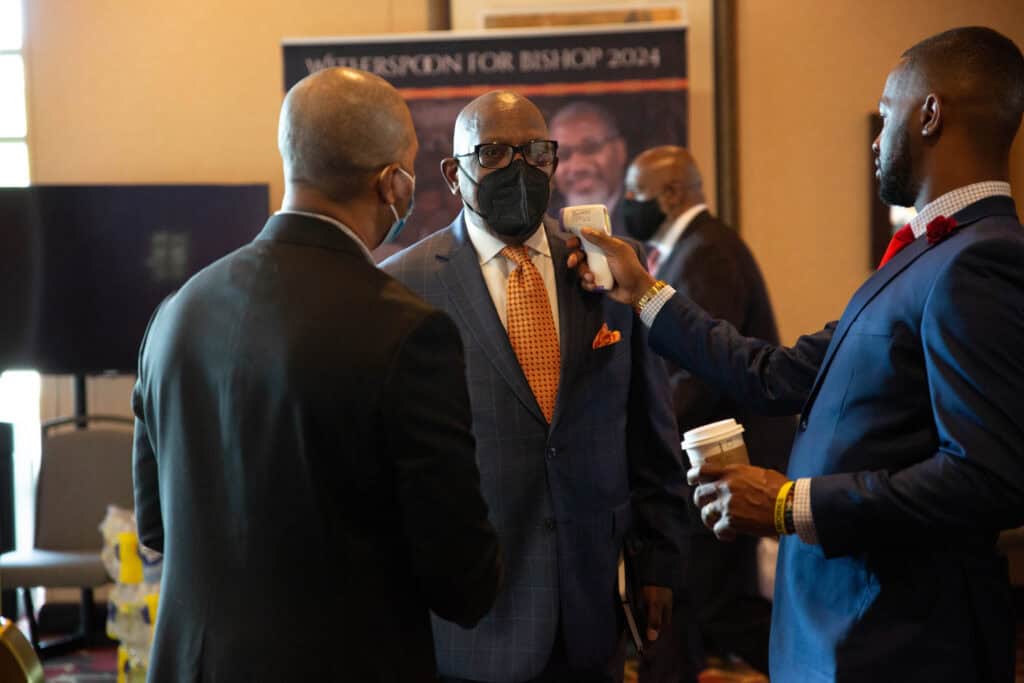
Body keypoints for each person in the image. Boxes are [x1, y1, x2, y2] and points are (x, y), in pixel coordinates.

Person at [573, 26, 1024, 682]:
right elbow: (773, 374)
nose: (876, 139)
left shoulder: (981, 258)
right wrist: (641, 291)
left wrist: (792, 503)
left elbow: (988, 478)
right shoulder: (927, 254)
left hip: (897, 643)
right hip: (840, 632)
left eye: (887, 113)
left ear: (930, 114)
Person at [131, 67, 502, 682]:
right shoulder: (407, 331)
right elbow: (461, 582)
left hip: (193, 666)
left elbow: (155, 526)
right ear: (392, 183)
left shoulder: (177, 311)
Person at [382, 91, 689, 683]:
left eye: (536, 153)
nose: (518, 168)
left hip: (591, 608)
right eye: (493, 153)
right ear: (453, 174)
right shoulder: (403, 286)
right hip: (471, 622)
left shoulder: (607, 266)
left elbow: (650, 429)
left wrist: (660, 561)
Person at [624, 146, 793, 677]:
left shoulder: (706, 252)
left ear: (671, 193)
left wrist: (640, 434)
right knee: (696, 606)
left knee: (720, 604)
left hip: (728, 461)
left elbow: (695, 371)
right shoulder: (693, 249)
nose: (627, 203)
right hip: (710, 461)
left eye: (635, 193)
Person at [549, 101, 629, 233]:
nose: (577, 167)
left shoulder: (650, 222)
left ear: (620, 150)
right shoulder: (541, 230)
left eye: (590, 148)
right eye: (563, 154)